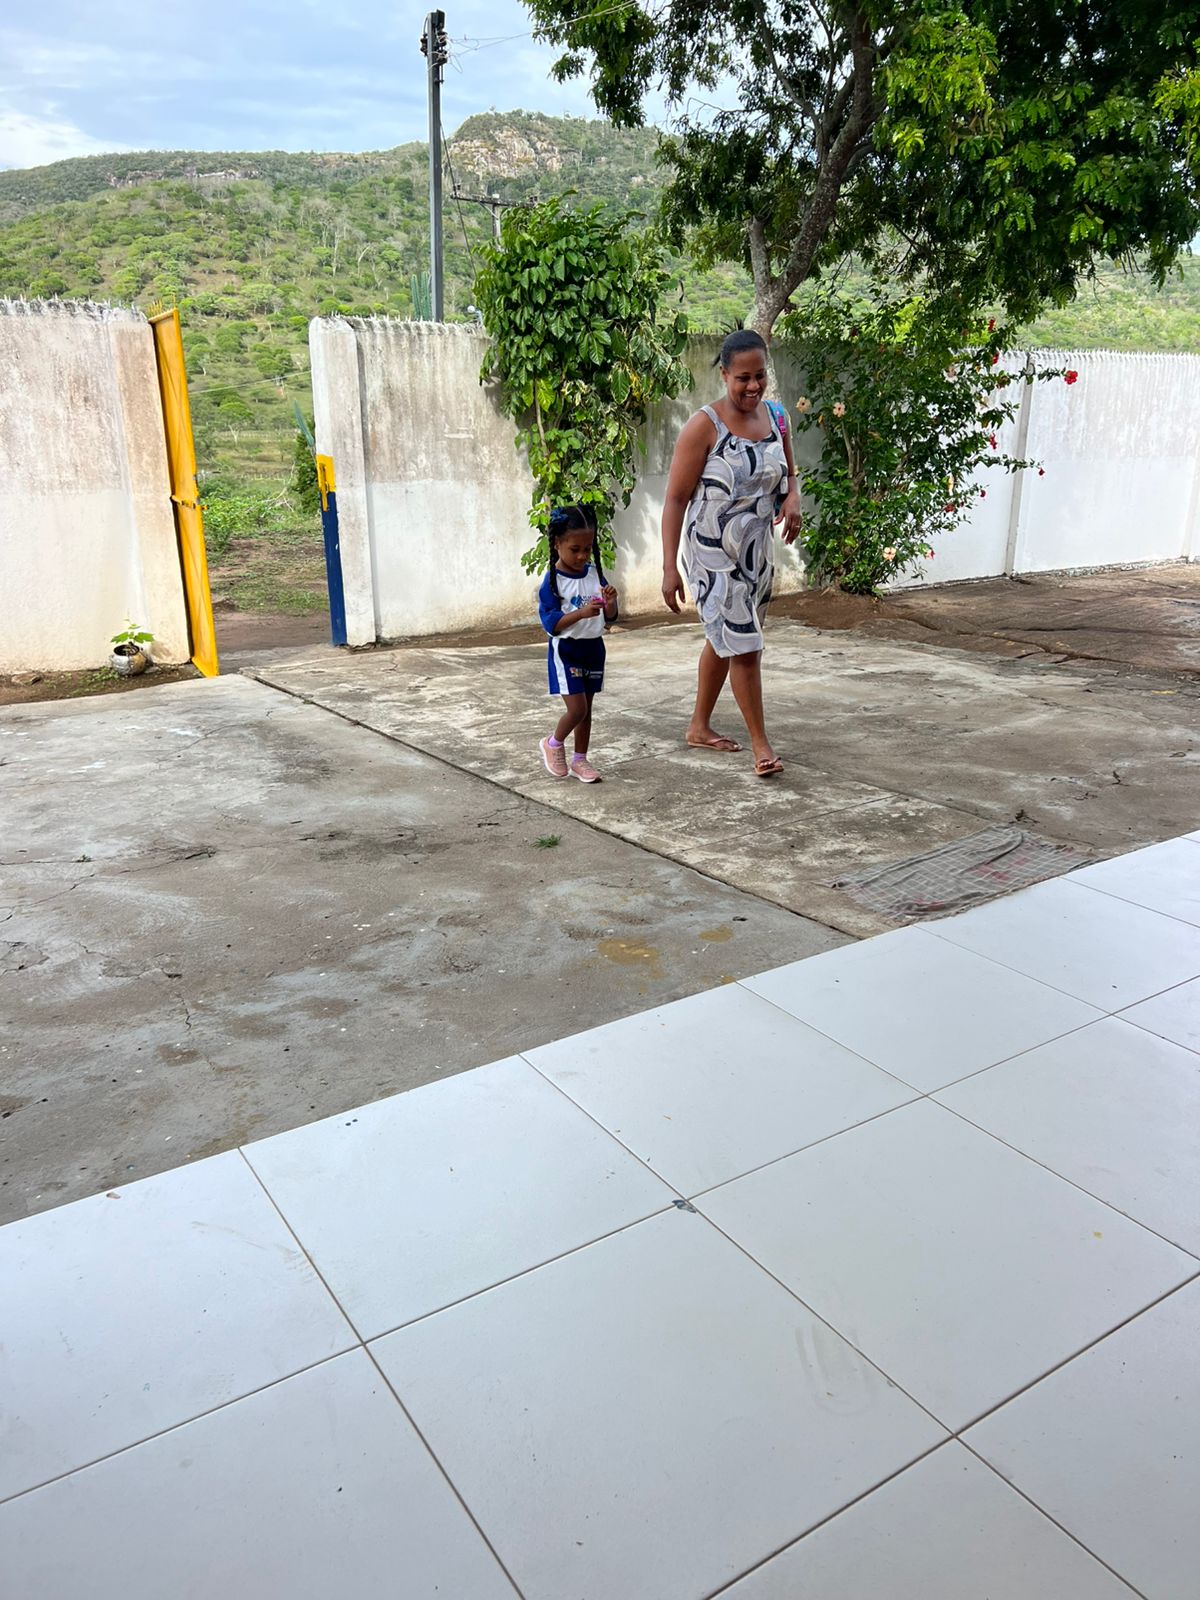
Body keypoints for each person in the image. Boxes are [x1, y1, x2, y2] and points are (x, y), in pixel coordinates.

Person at [661, 329, 802, 778]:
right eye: (743, 377)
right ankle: (762, 745)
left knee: (725, 639)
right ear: (724, 374)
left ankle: (698, 727)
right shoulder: (704, 426)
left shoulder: (777, 417)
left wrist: (792, 498)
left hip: (756, 551)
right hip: (711, 550)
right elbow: (675, 500)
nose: (753, 385)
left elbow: (790, 473)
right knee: (745, 644)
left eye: (760, 375)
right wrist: (669, 567)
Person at [537, 504, 619, 784]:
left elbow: (611, 616)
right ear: (557, 544)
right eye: (575, 549)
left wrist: (611, 602)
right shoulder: (553, 581)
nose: (582, 555)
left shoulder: (594, 574)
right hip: (567, 651)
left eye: (587, 548)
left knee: (587, 710)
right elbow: (552, 624)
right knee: (577, 709)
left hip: (593, 649)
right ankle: (553, 743)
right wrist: (580, 614)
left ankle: (580, 760)